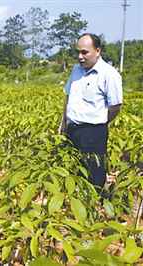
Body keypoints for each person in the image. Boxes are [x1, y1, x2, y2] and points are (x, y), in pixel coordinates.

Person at [59, 33, 123, 189]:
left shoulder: (109, 74)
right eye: (78, 52)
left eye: (84, 52)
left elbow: (115, 106)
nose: (80, 57)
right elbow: (68, 97)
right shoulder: (76, 70)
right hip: (72, 129)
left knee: (93, 173)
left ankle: (95, 206)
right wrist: (63, 122)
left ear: (98, 51)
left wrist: (99, 121)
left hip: (94, 132)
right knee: (72, 170)